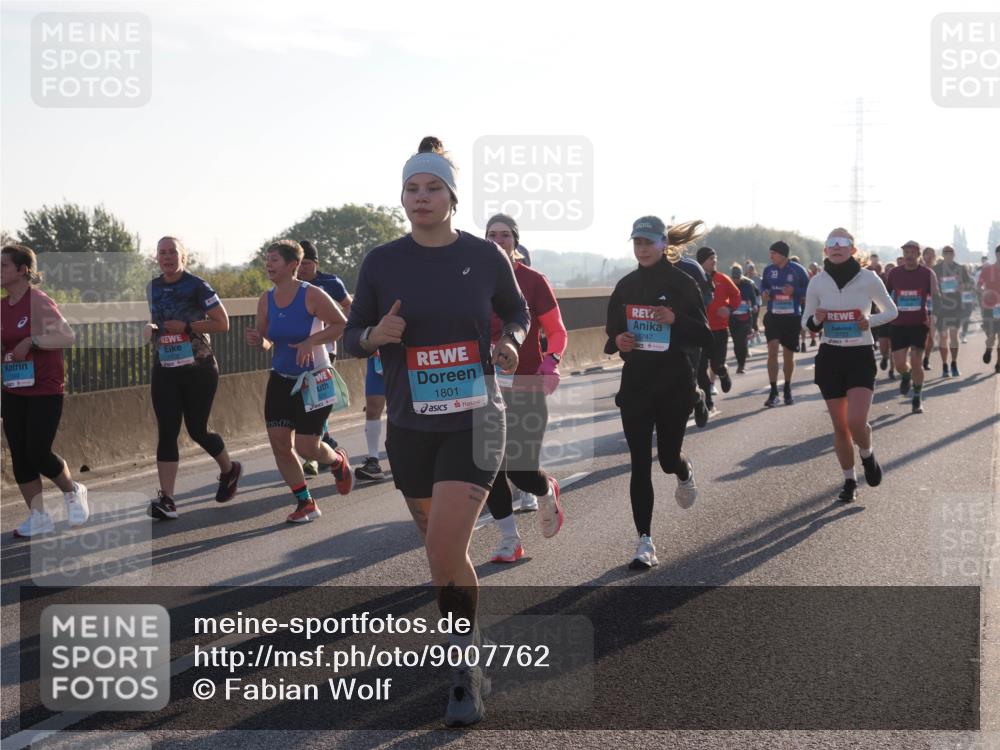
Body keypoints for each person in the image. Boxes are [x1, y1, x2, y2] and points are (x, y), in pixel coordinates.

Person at [342, 137, 529, 727]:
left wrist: (509, 342)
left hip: (476, 418)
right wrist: (375, 336)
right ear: (402, 199)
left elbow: (518, 312)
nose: (420, 197)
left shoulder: (484, 255)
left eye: (432, 188)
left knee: (445, 547)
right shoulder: (381, 262)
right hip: (409, 426)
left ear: (452, 197)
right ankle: (464, 644)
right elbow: (350, 337)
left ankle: (466, 671)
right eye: (411, 189)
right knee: (440, 553)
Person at [605, 216, 712, 570]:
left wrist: (675, 319)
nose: (642, 248)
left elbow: (704, 335)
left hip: (674, 384)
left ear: (664, 244)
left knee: (666, 460)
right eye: (637, 242)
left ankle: (683, 470)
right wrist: (619, 340)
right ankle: (644, 541)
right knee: (639, 463)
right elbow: (612, 332)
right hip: (636, 384)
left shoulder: (683, 283)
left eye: (648, 242)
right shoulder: (626, 285)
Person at [245, 239, 353, 524]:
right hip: (281, 378)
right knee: (280, 444)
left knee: (307, 448)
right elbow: (267, 341)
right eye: (267, 259)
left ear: (292, 264)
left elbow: (341, 325)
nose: (268, 264)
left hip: (314, 378)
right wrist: (258, 341)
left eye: (275, 259)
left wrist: (311, 341)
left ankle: (337, 461)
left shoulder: (312, 294)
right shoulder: (266, 299)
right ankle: (305, 502)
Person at [483, 212, 568, 563]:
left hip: (527, 384)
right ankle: (510, 540)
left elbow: (557, 331)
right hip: (485, 386)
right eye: (491, 235)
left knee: (520, 469)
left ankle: (545, 489)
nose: (497, 240)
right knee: (488, 466)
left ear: (515, 241)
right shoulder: (472, 281)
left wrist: (551, 362)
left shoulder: (532, 281)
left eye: (504, 234)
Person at [143, 237, 241, 519]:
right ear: (157, 257)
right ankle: (167, 499)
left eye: (172, 252)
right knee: (167, 430)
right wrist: (151, 329)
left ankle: (229, 470)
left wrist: (187, 326)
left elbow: (223, 323)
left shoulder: (197, 285)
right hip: (166, 366)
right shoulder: (152, 287)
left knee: (198, 430)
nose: (167, 257)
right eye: (162, 252)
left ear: (183, 256)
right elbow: (158, 321)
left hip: (198, 367)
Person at [803, 229, 897, 503]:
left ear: (853, 250)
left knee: (856, 421)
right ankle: (849, 480)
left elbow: (892, 311)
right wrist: (817, 320)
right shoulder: (817, 282)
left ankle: (867, 455)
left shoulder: (868, 278)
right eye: (831, 243)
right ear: (825, 250)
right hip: (830, 357)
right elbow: (806, 321)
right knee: (841, 427)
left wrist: (870, 321)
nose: (836, 246)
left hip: (859, 356)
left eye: (842, 242)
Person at [2, 244, 89, 537]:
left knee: (38, 452)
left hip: (45, 388)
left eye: (3, 265)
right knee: (19, 455)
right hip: (13, 387)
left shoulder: (37, 301)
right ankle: (38, 516)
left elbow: (67, 336)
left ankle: (73, 490)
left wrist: (32, 342)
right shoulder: (2, 306)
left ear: (22, 270)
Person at [296, 239, 353, 476]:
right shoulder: (292, 285)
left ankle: (317, 451)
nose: (303, 268)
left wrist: (341, 327)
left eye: (307, 263)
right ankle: (324, 446)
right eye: (300, 263)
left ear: (316, 263)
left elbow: (348, 306)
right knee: (305, 403)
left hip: (326, 351)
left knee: (318, 399)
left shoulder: (330, 283)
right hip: (298, 351)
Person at [886, 240, 938, 413]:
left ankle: (917, 396)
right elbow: (886, 295)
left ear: (918, 254)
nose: (909, 256)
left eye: (912, 253)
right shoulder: (894, 273)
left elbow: (936, 297)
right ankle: (906, 375)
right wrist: (884, 312)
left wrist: (933, 317)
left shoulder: (927, 273)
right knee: (900, 364)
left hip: (918, 324)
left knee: (916, 362)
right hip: (898, 324)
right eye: (906, 252)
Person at [760, 241, 810, 406]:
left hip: (791, 317)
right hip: (773, 316)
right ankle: (773, 391)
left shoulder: (798, 270)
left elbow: (809, 290)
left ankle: (787, 387)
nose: (770, 256)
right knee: (772, 351)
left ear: (783, 255)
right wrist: (765, 292)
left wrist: (794, 291)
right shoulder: (769, 270)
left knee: (788, 355)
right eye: (770, 253)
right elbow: (764, 286)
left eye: (773, 253)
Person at [696, 246, 741, 414]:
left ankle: (723, 372)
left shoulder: (722, 278)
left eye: (715, 258)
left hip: (719, 330)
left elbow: (736, 295)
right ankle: (708, 400)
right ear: (702, 261)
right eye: (710, 258)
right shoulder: (694, 279)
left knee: (716, 365)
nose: (714, 261)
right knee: (700, 369)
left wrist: (729, 308)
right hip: (700, 330)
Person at [933, 245, 974, 377]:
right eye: (946, 253)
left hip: (955, 306)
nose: (948, 255)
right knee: (943, 336)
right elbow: (930, 287)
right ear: (942, 254)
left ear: (954, 254)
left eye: (950, 253)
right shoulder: (935, 269)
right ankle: (945, 365)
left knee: (954, 336)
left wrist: (963, 286)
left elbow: (969, 283)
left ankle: (954, 363)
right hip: (940, 307)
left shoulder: (960, 268)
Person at [355, 351, 388, 481]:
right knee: (372, 409)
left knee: (403, 408)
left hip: (405, 356)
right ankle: (373, 461)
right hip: (377, 357)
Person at [729, 264, 759, 374]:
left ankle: (741, 366)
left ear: (741, 276)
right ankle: (739, 362)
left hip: (745, 317)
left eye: (738, 278)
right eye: (734, 278)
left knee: (742, 341)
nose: (736, 280)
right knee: (736, 343)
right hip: (733, 318)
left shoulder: (748, 284)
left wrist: (755, 305)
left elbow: (753, 297)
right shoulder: (728, 284)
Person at [977, 244, 1000, 372]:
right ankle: (989, 349)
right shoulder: (987, 270)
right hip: (990, 307)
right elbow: (978, 286)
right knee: (991, 336)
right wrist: (984, 292)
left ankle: (998, 363)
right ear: (996, 254)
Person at [920, 246, 938, 369]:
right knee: (920, 335)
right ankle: (917, 358)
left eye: (932, 254)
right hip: (920, 307)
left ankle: (926, 358)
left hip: (934, 307)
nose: (930, 256)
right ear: (923, 255)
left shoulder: (938, 270)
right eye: (927, 254)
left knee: (931, 335)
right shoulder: (918, 270)